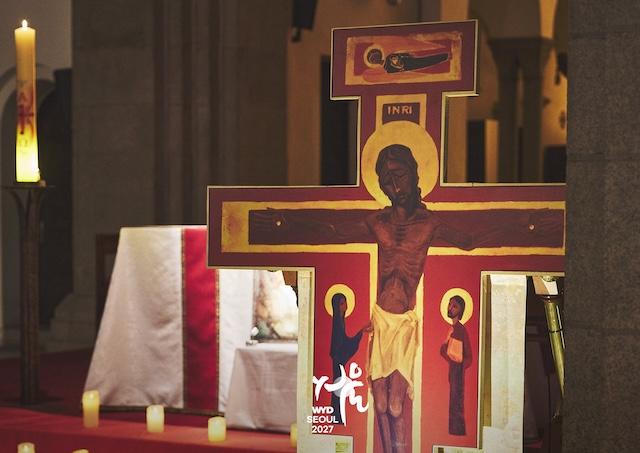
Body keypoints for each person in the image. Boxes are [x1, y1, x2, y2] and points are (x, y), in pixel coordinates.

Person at [329, 292, 371, 423]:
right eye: (342, 303)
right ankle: (336, 417)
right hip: (338, 360)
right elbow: (341, 345)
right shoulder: (337, 323)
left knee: (339, 388)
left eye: (345, 302)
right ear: (336, 306)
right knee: (338, 387)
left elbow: (345, 342)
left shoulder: (341, 321)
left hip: (339, 359)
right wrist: (360, 333)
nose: (345, 306)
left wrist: (361, 332)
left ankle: (337, 416)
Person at [440, 295, 472, 435]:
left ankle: (457, 431)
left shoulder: (461, 330)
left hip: (458, 372)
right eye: (450, 304)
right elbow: (443, 351)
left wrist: (459, 364)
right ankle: (453, 430)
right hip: (453, 371)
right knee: (452, 401)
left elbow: (469, 356)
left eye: (454, 306)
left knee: (456, 401)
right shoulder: (452, 329)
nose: (450, 308)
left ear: (460, 311)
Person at [366, 48, 449, 73]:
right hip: (410, 68)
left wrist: (408, 55)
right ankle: (444, 57)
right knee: (426, 63)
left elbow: (401, 55)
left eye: (375, 57)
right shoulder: (387, 70)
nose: (376, 60)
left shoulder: (389, 57)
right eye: (373, 60)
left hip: (410, 61)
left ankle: (445, 56)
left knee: (426, 60)